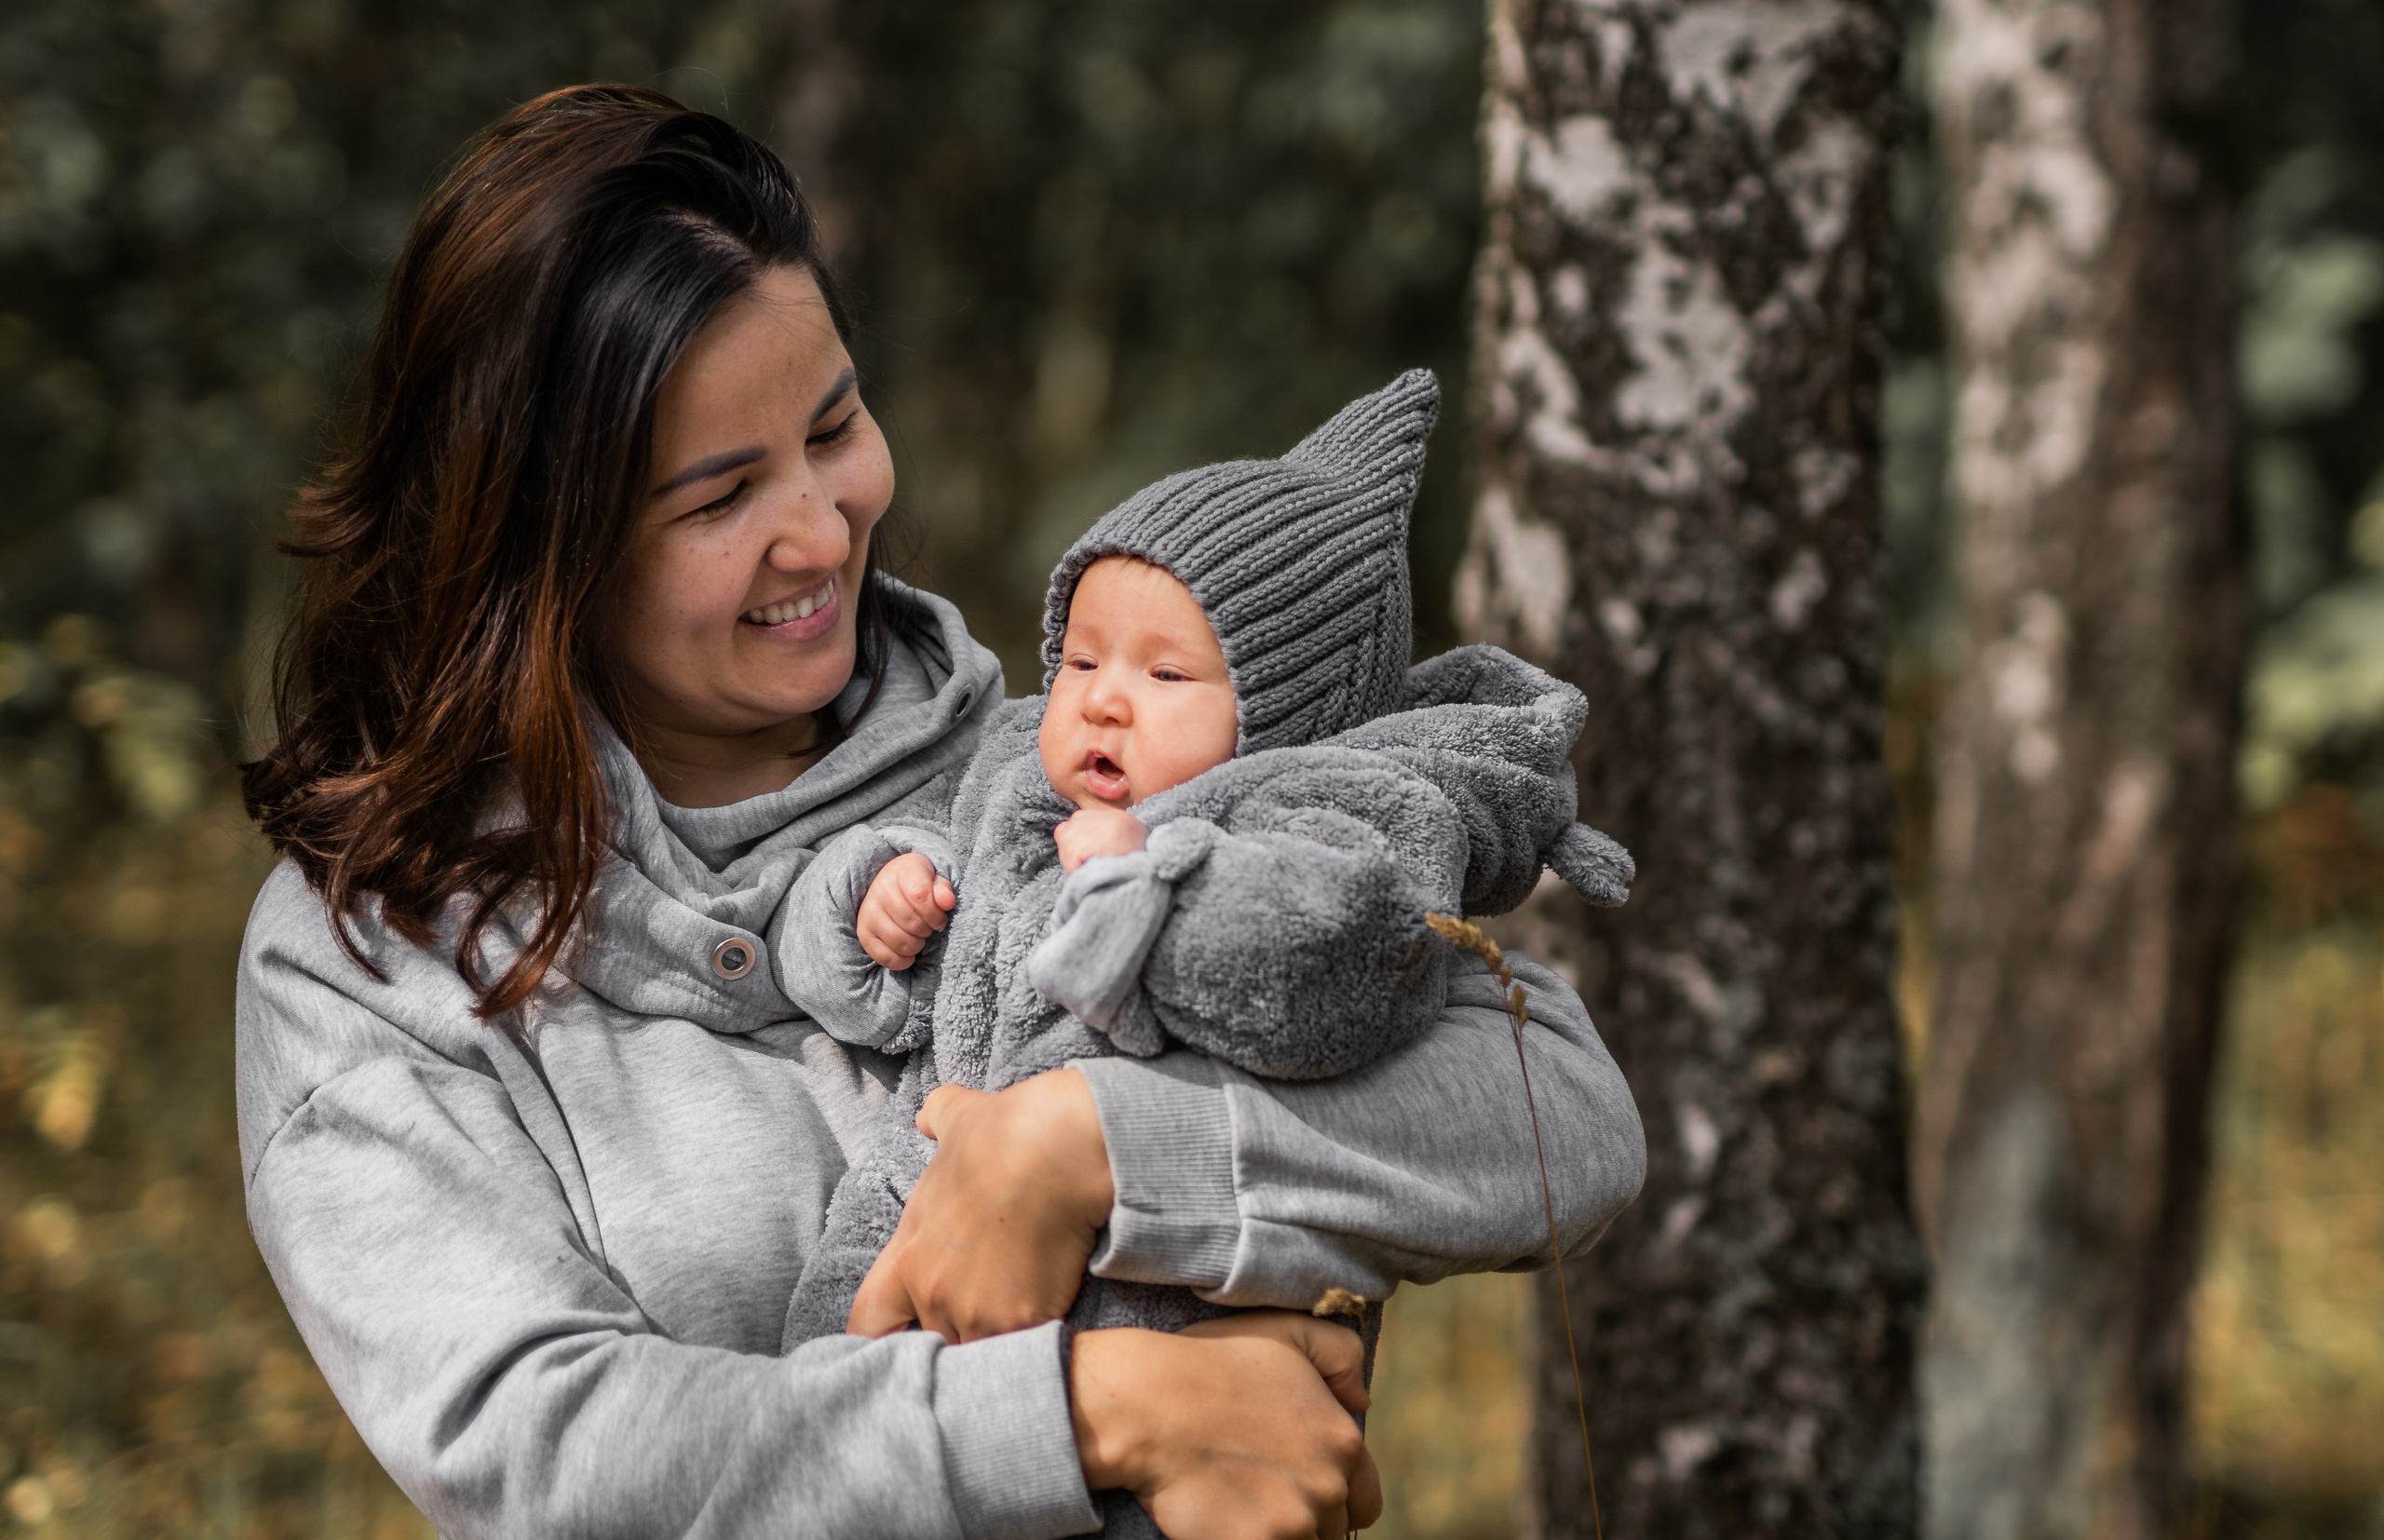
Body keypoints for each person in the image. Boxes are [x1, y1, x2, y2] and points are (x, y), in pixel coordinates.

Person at [236, 83, 1646, 1540]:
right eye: (718, 498)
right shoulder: (372, 958)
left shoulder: (1053, 770)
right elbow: (552, 1457)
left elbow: (1562, 1109)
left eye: (834, 425)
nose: (822, 523)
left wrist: (1090, 1144)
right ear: (543, 551)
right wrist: (1099, 1415)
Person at [775, 371, 1637, 1420]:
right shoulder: (1014, 796)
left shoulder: (1314, 818)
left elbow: (1321, 957)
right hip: (915, 1202)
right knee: (829, 1390)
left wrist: (1150, 892)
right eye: (1080, 658)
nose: (1100, 699)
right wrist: (877, 901)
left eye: (1166, 676)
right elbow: (927, 955)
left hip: (1159, 1296)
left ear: (1280, 713)